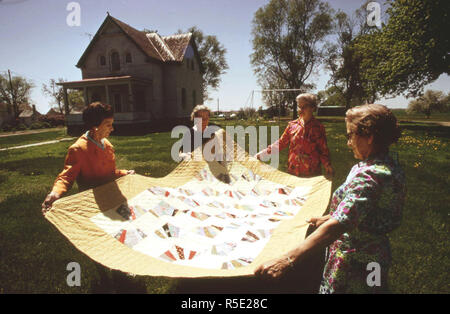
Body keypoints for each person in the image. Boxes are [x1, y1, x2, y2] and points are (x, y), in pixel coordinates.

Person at [254, 104, 406, 294]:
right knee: (374, 289)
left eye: (350, 135)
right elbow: (364, 209)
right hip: (375, 257)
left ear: (369, 137)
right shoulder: (385, 164)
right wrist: (328, 217)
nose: (348, 143)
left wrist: (287, 259)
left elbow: (339, 225)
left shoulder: (371, 176)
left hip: (356, 262)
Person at [42, 102, 134, 212]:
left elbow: (109, 173)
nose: (112, 129)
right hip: (92, 205)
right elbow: (66, 177)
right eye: (108, 125)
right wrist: (55, 193)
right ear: (95, 127)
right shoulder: (78, 149)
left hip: (111, 198)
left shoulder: (107, 145)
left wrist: (124, 173)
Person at [255, 93, 333, 177]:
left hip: (311, 173)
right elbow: (281, 143)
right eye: (299, 107)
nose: (300, 110)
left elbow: (323, 150)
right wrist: (263, 153)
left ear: (313, 108)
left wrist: (327, 165)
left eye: (304, 107)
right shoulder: (292, 125)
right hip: (293, 171)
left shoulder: (318, 127)